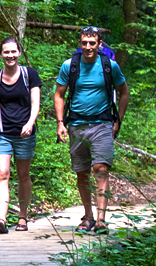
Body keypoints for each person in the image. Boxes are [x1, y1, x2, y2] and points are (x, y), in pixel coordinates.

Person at [54, 26, 129, 234]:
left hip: (102, 124)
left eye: (92, 43)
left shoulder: (109, 66)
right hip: (76, 125)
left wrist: (118, 121)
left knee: (101, 169)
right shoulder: (70, 66)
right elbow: (59, 94)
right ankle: (88, 216)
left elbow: (124, 93)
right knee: (82, 173)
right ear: (80, 44)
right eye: (84, 43)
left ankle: (101, 219)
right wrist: (60, 122)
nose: (88, 47)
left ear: (99, 44)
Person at [0, 37, 42, 234]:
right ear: (0, 54)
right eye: (6, 52)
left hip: (24, 133)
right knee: (2, 174)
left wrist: (30, 123)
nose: (10, 55)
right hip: (0, 132)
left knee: (23, 175)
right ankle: (2, 219)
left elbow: (35, 103)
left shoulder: (29, 74)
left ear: (19, 53)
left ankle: (22, 217)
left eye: (13, 52)